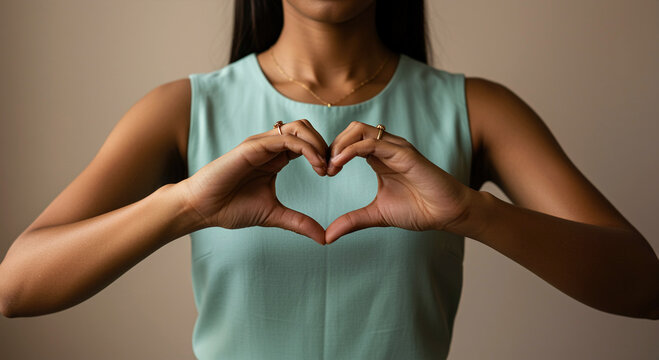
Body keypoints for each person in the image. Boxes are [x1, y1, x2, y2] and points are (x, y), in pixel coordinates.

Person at [0, 0, 657, 358]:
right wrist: (186, 207)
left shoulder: (480, 110)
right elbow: (17, 285)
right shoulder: (181, 110)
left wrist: (471, 214)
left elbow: (643, 285)